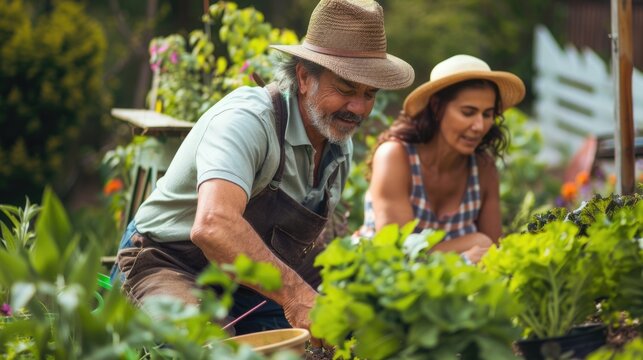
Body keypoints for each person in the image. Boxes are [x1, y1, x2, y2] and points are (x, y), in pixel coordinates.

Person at [112, 0, 414, 340]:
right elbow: (213, 226)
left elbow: (303, 253)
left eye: (369, 93)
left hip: (248, 286)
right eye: (345, 89)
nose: (358, 108)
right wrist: (298, 296)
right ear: (303, 77)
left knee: (347, 334)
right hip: (168, 263)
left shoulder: (336, 145)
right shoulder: (249, 121)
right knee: (206, 345)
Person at [357, 54, 525, 263]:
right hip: (378, 280)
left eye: (487, 114)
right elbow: (395, 252)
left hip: (449, 288)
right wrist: (466, 252)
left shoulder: (483, 169)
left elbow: (494, 251)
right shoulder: (396, 156)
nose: (479, 126)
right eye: (468, 112)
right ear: (436, 107)